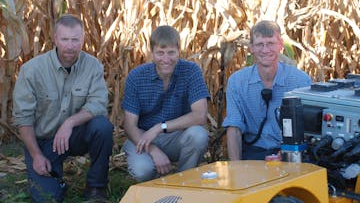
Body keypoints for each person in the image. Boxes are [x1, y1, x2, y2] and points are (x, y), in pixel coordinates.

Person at [12, 14, 113, 202]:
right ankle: (55, 182)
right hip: (43, 142)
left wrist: (69, 123)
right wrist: (36, 155)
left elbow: (98, 104)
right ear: (55, 39)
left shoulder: (93, 66)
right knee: (47, 198)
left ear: (83, 39)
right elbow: (23, 119)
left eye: (75, 39)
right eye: (65, 39)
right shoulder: (32, 70)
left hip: (74, 135)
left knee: (103, 127)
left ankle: (96, 188)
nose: (70, 45)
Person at [122, 25, 210, 182]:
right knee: (143, 171)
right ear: (152, 53)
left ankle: (184, 181)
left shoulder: (191, 71)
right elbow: (129, 126)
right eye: (160, 53)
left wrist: (159, 127)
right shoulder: (136, 77)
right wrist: (153, 149)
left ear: (179, 51)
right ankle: (155, 187)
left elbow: (200, 116)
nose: (166, 59)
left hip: (176, 136)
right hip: (143, 137)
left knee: (198, 135)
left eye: (171, 53)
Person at [223, 20, 311, 161]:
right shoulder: (237, 82)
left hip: (290, 152)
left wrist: (287, 154)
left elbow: (308, 130)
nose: (265, 50)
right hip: (253, 152)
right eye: (259, 44)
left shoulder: (300, 81)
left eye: (270, 44)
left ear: (280, 45)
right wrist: (236, 168)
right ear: (251, 48)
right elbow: (234, 128)